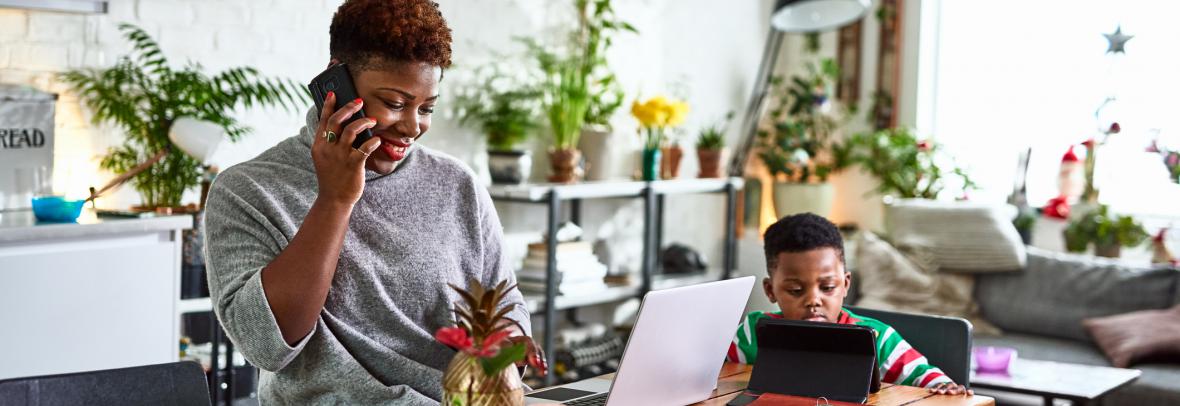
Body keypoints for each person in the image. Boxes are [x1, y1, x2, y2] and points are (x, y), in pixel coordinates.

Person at [202, 0, 542, 403]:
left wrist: (503, 360)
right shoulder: (248, 190)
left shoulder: (456, 184)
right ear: (336, 82)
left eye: (427, 107)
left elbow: (503, 300)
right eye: (395, 104)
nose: (413, 127)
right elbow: (266, 346)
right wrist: (335, 198)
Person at [727, 213, 972, 395]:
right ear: (771, 291)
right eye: (795, 290)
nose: (813, 300)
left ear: (845, 285)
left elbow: (930, 380)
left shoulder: (877, 338)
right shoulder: (753, 332)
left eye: (828, 287)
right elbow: (712, 373)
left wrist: (943, 387)